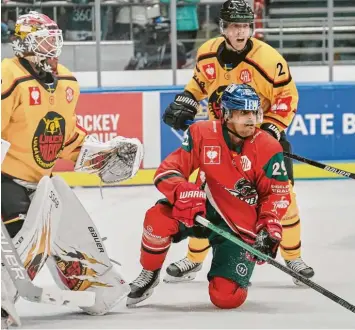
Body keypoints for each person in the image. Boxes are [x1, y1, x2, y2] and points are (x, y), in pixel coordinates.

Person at [1, 11, 143, 327]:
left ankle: (96, 287)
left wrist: (103, 155)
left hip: (42, 182)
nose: (52, 47)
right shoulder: (8, 77)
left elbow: (64, 139)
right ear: (25, 44)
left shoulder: (66, 81)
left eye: (55, 39)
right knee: (26, 236)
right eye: (44, 40)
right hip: (6, 181)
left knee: (60, 204)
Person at [162, 0, 314, 285]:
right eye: (234, 26)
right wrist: (186, 100)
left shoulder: (269, 60)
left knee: (283, 199)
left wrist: (271, 129)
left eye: (245, 25)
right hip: (218, 141)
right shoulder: (206, 53)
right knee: (205, 198)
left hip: (259, 140)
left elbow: (287, 96)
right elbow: (198, 84)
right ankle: (193, 261)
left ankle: (294, 258)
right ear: (223, 28)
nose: (241, 32)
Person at [127, 83, 291, 309]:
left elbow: (276, 194)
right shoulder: (201, 133)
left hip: (238, 226)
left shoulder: (269, 147)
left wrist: (269, 227)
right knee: (158, 217)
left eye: (253, 112)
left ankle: (234, 273)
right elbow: (169, 169)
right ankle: (149, 273)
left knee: (226, 298)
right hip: (200, 211)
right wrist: (182, 190)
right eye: (243, 112)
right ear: (226, 114)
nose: (251, 119)